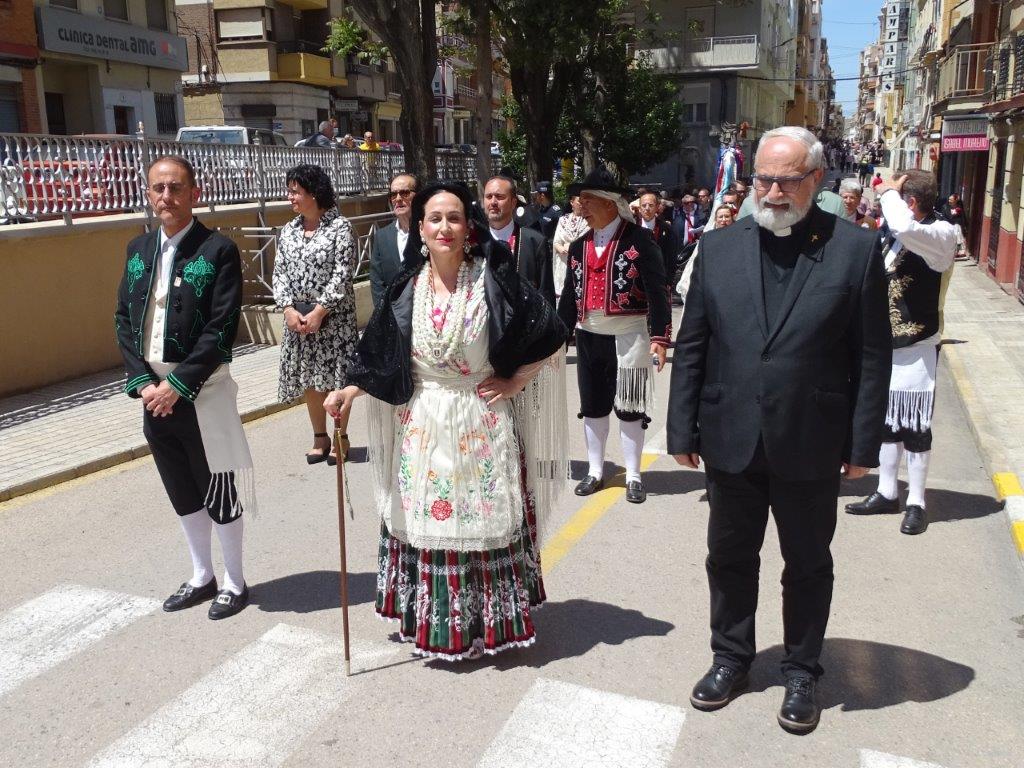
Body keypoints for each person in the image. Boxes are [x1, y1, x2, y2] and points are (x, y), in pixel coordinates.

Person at [668, 126, 891, 734]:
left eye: (786, 180)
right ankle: (730, 658)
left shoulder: (854, 250)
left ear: (815, 179)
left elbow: (872, 355)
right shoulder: (718, 248)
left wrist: (863, 444)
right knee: (729, 557)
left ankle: (801, 671)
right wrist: (682, 428)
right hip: (730, 434)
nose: (771, 192)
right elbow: (694, 344)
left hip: (812, 438)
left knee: (808, 563)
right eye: (763, 179)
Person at [324, 181, 568, 660]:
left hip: (480, 418)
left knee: (480, 520)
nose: (444, 227)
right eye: (434, 218)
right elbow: (380, 358)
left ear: (468, 226)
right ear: (420, 228)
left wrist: (515, 381)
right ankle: (433, 623)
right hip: (423, 422)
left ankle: (483, 626)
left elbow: (550, 330)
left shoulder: (493, 279)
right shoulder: (405, 289)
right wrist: (348, 392)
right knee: (427, 521)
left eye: (454, 217)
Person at [115, 155, 256, 620]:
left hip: (203, 392)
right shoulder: (137, 249)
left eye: (176, 188)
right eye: (158, 188)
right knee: (181, 489)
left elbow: (222, 327)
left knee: (219, 489)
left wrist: (177, 384)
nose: (166, 197)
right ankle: (201, 576)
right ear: (148, 194)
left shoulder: (217, 250)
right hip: (153, 398)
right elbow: (123, 319)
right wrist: (143, 384)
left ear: (195, 193)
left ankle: (234, 581)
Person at [845, 170, 957, 535]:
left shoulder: (942, 233)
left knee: (915, 425)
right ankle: (887, 491)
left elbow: (904, 226)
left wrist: (887, 192)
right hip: (884, 341)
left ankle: (917, 501)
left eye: (896, 198)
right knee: (888, 421)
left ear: (909, 202)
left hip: (917, 344)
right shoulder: (893, 234)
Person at [557, 166, 673, 504]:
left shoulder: (639, 240)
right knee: (592, 406)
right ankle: (595, 471)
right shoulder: (578, 246)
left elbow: (658, 290)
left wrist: (660, 337)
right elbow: (569, 296)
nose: (581, 206)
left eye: (588, 200)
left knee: (630, 407)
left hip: (629, 337)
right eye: (581, 200)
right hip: (589, 336)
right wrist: (558, 340)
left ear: (609, 203)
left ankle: (634, 475)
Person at [273, 164, 358, 465]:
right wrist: (287, 309)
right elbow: (279, 272)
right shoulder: (289, 230)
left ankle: (340, 436)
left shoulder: (340, 227)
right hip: (299, 320)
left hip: (333, 319)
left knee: (336, 378)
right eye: (290, 191)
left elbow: (343, 274)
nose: (290, 197)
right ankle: (319, 437)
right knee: (309, 376)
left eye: (295, 191)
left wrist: (321, 310)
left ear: (314, 192)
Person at [484, 175, 556, 305]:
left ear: (513, 202)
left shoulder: (535, 242)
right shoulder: (474, 242)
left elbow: (546, 297)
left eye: (499, 197)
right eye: (489, 197)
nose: (493, 202)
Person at [370, 173, 418, 306]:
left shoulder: (429, 232)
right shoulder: (381, 236)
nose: (398, 199)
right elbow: (377, 282)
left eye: (404, 193)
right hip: (393, 313)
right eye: (393, 194)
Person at [637, 191, 680, 291]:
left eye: (651, 205)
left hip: (659, 281)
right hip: (636, 283)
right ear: (639, 208)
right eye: (644, 205)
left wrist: (669, 281)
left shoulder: (667, 229)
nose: (647, 208)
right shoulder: (631, 228)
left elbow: (671, 257)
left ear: (657, 207)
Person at [552, 194, 590, 299]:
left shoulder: (589, 220)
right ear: (572, 202)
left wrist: (572, 247)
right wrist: (560, 248)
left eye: (583, 201)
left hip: (581, 263)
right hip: (564, 263)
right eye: (579, 201)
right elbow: (556, 242)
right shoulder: (563, 220)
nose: (581, 204)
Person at [940, 193, 967, 257]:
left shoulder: (959, 208)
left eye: (951, 200)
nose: (949, 201)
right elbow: (943, 217)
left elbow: (962, 217)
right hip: (947, 226)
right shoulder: (945, 207)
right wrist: (952, 216)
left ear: (955, 200)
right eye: (949, 199)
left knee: (958, 234)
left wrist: (964, 226)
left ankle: (956, 252)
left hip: (956, 226)